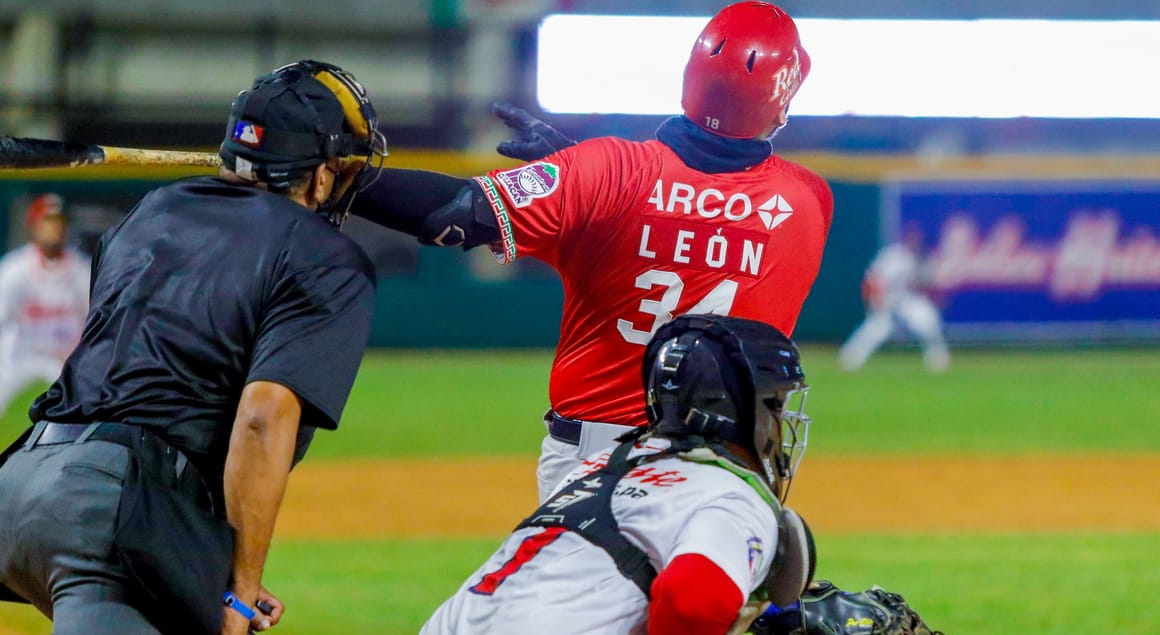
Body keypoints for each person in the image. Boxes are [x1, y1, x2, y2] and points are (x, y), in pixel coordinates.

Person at [0, 59, 385, 635]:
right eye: (340, 166)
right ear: (316, 174)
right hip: (109, 517)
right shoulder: (323, 255)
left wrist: (193, 565)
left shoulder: (151, 211)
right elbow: (262, 419)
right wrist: (238, 588)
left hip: (17, 490)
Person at [350, 0, 834, 500]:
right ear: (779, 103)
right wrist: (578, 169)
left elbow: (457, 213)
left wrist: (342, 175)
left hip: (590, 464)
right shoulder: (808, 202)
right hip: (721, 464)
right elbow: (697, 214)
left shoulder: (606, 171)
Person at [420, 314, 816, 635]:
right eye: (776, 405)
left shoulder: (600, 464)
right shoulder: (731, 493)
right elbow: (691, 603)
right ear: (748, 413)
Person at [0, 194, 91, 478]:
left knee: (91, 409)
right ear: (33, 226)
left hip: (62, 355)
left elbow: (95, 320)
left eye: (58, 223)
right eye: (47, 222)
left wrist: (81, 358)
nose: (54, 229)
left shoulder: (81, 270)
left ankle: (83, 477)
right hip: (18, 353)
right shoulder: (14, 269)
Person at [838, 225, 949, 373]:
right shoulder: (893, 256)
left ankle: (938, 360)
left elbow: (921, 284)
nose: (915, 242)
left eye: (917, 240)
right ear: (905, 239)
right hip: (886, 298)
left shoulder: (918, 257)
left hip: (904, 299)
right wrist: (875, 300)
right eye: (912, 239)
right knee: (878, 328)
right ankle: (851, 357)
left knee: (926, 319)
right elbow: (873, 279)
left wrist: (934, 297)